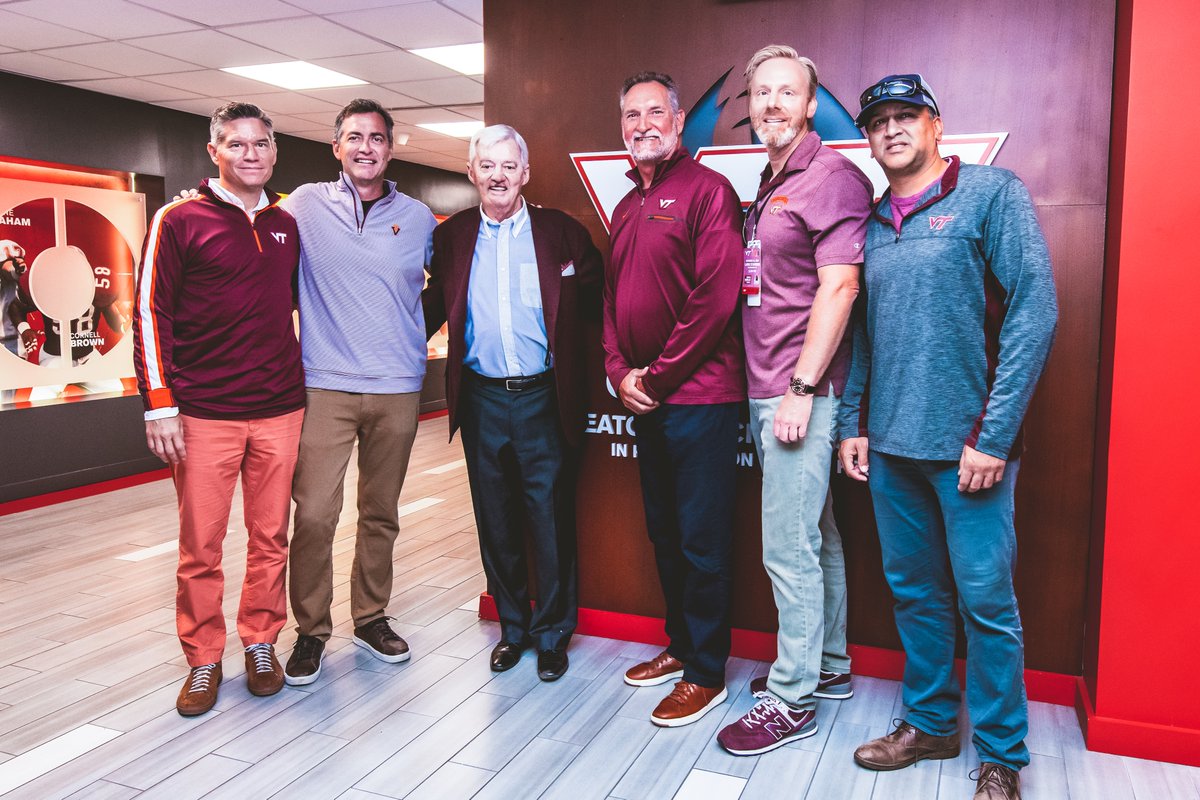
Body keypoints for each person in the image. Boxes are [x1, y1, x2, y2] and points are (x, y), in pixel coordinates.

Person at [837, 74, 1057, 800]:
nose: (892, 129)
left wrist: (994, 437)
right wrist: (853, 423)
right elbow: (864, 335)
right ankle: (930, 723)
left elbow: (1035, 311)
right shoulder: (871, 222)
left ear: (936, 125)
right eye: (879, 122)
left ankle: (1001, 754)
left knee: (986, 602)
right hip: (893, 449)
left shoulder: (992, 194)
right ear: (868, 140)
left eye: (906, 115)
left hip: (971, 453)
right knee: (915, 595)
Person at [715, 45, 872, 756]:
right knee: (817, 537)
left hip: (796, 390)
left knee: (787, 549)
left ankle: (791, 697)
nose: (774, 103)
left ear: (812, 105)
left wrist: (802, 390)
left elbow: (840, 287)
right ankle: (828, 665)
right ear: (749, 106)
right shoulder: (772, 177)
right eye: (762, 93)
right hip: (773, 385)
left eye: (789, 92)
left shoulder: (830, 176)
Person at [133, 102, 305, 716]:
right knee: (200, 545)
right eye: (236, 145)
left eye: (260, 144)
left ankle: (262, 641)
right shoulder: (177, 219)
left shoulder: (288, 222)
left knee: (270, 537)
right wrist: (159, 405)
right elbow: (152, 314)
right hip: (204, 413)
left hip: (282, 406)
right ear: (215, 152)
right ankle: (204, 659)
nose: (250, 154)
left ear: (274, 152)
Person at [422, 124, 601, 682]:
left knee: (548, 521)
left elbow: (596, 305)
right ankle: (513, 630)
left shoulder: (562, 234)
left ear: (525, 174)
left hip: (544, 398)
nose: (498, 175)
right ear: (472, 173)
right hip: (481, 400)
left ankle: (551, 636)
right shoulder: (451, 238)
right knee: (495, 521)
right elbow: (423, 308)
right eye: (487, 165)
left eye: (509, 166)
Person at [602, 72, 745, 727]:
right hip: (646, 400)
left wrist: (653, 380)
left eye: (653, 112)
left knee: (701, 540)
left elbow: (714, 299)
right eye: (631, 115)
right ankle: (682, 647)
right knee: (665, 532)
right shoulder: (628, 202)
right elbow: (611, 301)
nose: (641, 124)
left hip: (700, 401)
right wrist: (616, 370)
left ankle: (707, 672)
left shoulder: (709, 192)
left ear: (680, 120)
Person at [282, 100, 438, 686]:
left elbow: (439, 287)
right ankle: (310, 632)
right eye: (354, 137)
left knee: (380, 512)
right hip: (324, 385)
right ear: (336, 147)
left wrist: (411, 335)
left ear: (391, 147)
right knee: (316, 513)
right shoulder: (302, 206)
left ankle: (371, 616)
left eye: (376, 137)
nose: (365, 146)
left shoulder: (419, 217)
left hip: (398, 388)